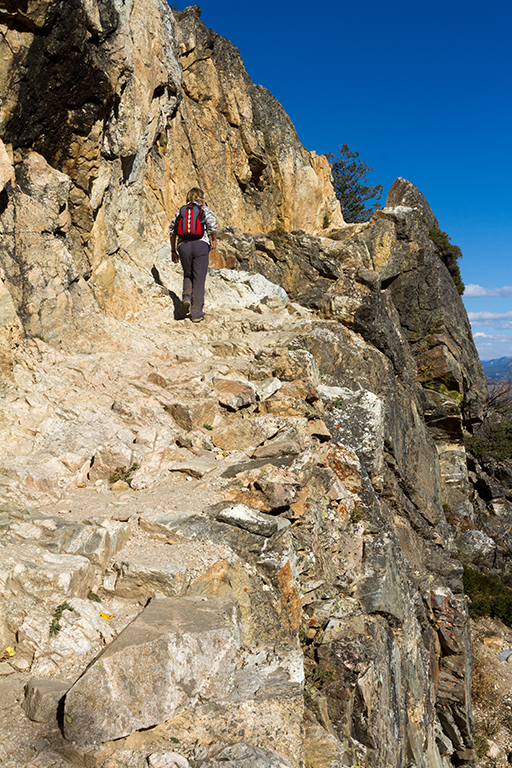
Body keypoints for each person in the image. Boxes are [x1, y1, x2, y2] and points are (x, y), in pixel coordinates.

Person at [169, 187, 218, 323]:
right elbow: (213, 227)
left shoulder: (181, 211)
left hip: (183, 246)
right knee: (199, 278)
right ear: (201, 197)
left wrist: (173, 250)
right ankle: (196, 314)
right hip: (200, 245)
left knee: (188, 273)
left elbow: (172, 231)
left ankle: (186, 299)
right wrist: (213, 239)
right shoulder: (205, 210)